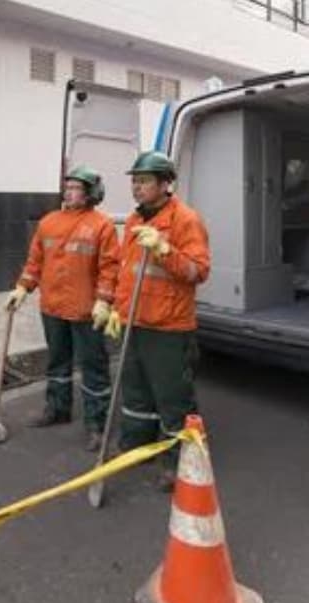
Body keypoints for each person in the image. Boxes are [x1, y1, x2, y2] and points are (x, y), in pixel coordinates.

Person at [99, 151, 210, 490]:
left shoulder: (186, 220)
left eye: (144, 181)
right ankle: (137, 443)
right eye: (134, 181)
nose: (137, 187)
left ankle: (180, 460)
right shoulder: (133, 221)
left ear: (165, 184)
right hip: (136, 321)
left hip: (169, 326)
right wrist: (116, 308)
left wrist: (165, 249)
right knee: (135, 391)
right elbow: (126, 272)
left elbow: (198, 271)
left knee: (172, 396)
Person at [6, 166, 120, 451]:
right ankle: (57, 408)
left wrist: (104, 301)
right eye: (67, 187)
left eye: (76, 188)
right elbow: (35, 262)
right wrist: (22, 287)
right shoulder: (48, 222)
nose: (70, 192)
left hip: (86, 311)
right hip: (53, 307)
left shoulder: (102, 225)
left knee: (94, 368)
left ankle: (96, 423)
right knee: (57, 362)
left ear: (92, 193)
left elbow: (110, 269)